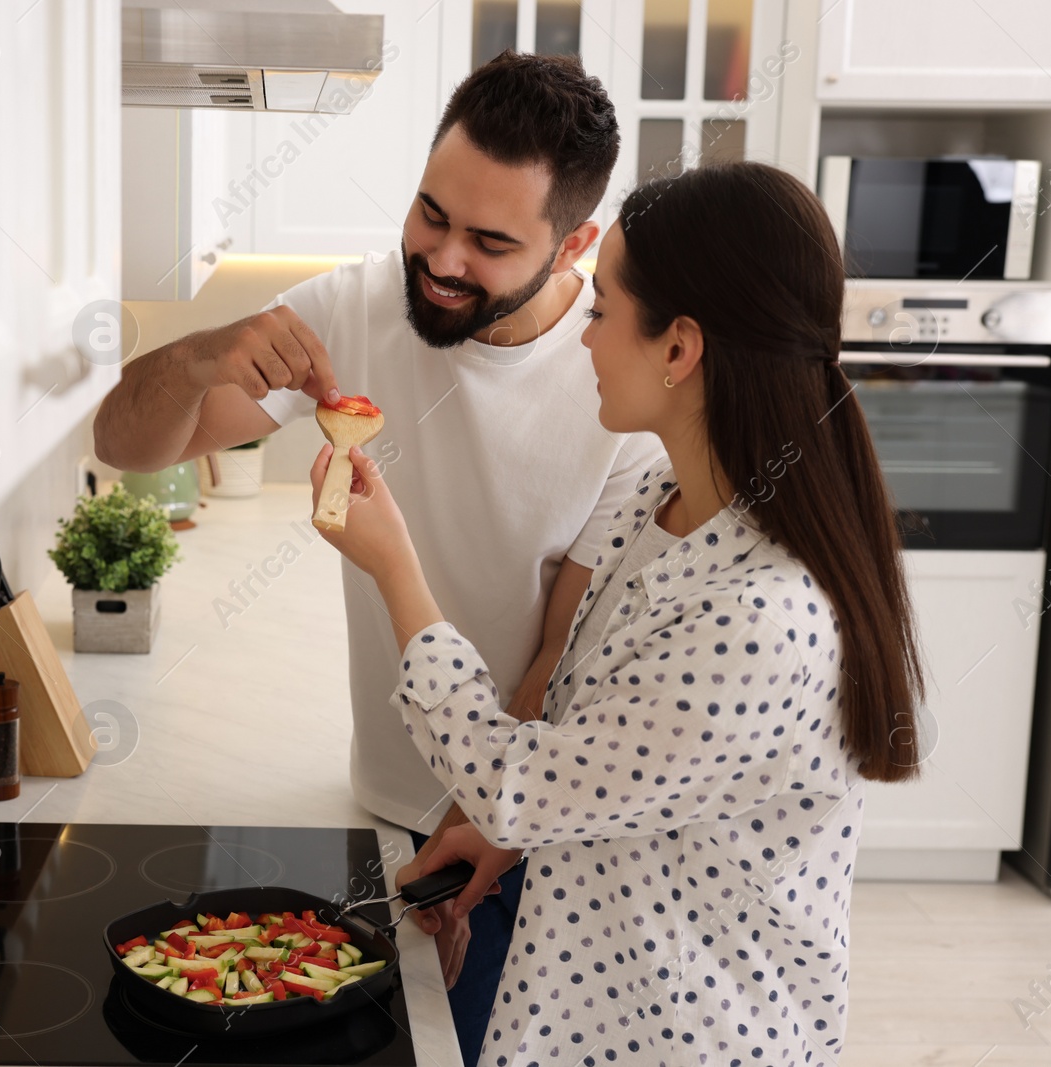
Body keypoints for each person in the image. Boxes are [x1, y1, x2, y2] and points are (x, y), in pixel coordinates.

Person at [94, 52, 665, 1064]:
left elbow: (556, 661)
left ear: (574, 241)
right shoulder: (349, 309)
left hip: (519, 827)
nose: (441, 258)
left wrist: (477, 825)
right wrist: (196, 354)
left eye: (489, 241)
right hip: (384, 805)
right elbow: (125, 444)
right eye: (429, 213)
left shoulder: (613, 383)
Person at [307, 161, 925, 1066]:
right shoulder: (662, 507)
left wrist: (394, 567)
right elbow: (597, 753)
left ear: (679, 349)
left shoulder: (761, 618)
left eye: (598, 311)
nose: (584, 340)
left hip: (689, 1037)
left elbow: (516, 776)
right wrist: (507, 837)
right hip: (590, 1002)